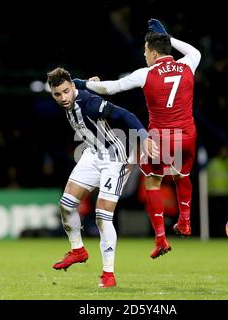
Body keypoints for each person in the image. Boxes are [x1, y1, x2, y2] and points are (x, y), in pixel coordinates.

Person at [73, 18, 201, 259]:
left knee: (153, 182)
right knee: (181, 176)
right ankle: (185, 222)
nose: (144, 55)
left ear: (153, 52)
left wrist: (84, 83)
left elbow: (111, 88)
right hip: (186, 135)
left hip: (160, 138)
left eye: (145, 51)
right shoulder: (189, 63)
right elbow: (194, 50)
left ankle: (161, 239)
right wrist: (168, 38)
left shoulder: (146, 74)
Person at [47, 67, 158, 288]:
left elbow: (126, 115)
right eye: (57, 94)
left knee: (102, 216)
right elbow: (77, 81)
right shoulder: (73, 87)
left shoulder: (90, 104)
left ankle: (108, 274)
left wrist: (144, 137)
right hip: (91, 154)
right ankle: (78, 250)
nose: (63, 98)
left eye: (66, 92)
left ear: (71, 88)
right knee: (66, 205)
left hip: (114, 159)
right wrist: (88, 81)